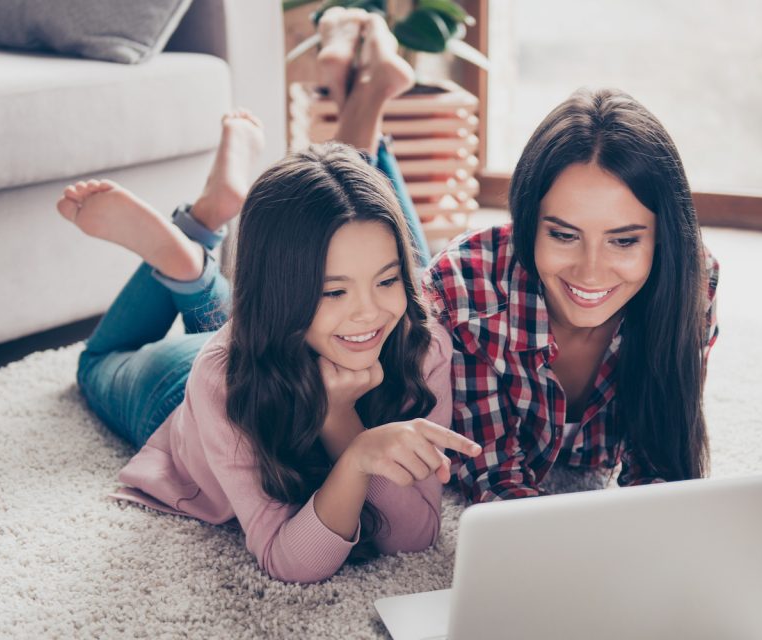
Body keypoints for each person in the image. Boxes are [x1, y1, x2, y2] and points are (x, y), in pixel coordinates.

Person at [56, 8, 479, 583]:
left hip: (269, 326)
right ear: (283, 296)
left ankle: (196, 253)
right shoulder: (219, 378)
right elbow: (287, 560)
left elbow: (415, 536)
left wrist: (342, 423)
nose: (370, 311)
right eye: (333, 291)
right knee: (95, 363)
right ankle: (193, 243)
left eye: (388, 280)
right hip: (181, 397)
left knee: (338, 233)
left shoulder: (422, 343)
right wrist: (355, 452)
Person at [428, 87, 720, 503]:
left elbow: (664, 469)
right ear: (527, 223)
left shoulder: (691, 282)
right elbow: (492, 477)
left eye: (623, 242)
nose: (591, 271)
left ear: (662, 240)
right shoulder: (464, 287)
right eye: (564, 235)